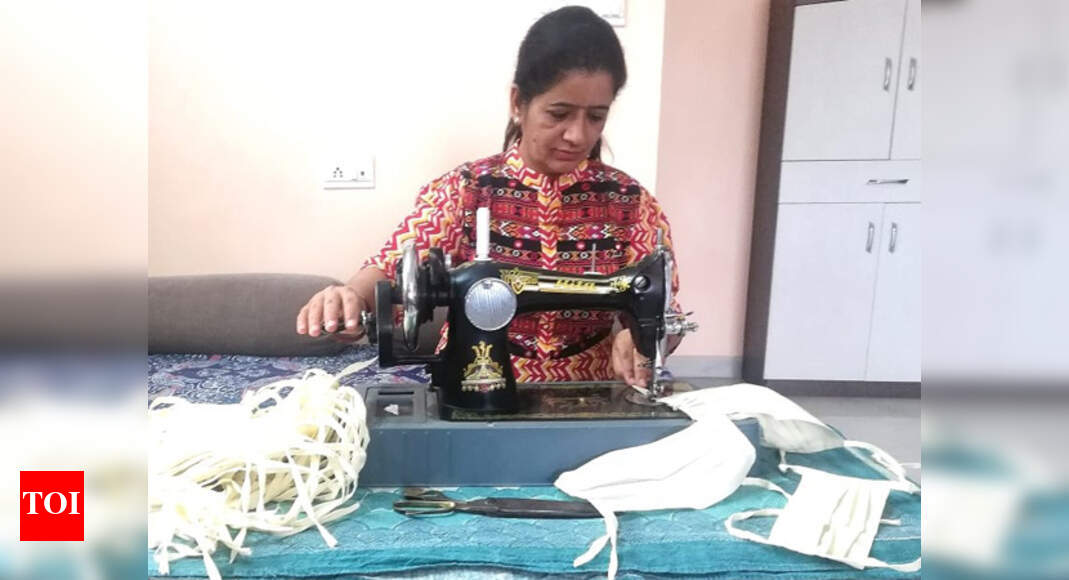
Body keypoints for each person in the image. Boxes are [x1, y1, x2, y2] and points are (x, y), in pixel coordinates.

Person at [296, 5, 682, 386]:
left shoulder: (632, 204)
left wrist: (643, 337)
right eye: (559, 114)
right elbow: (390, 268)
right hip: (474, 378)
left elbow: (669, 315)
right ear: (518, 102)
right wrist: (349, 300)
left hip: (592, 390)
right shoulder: (466, 189)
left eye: (596, 117)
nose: (578, 135)